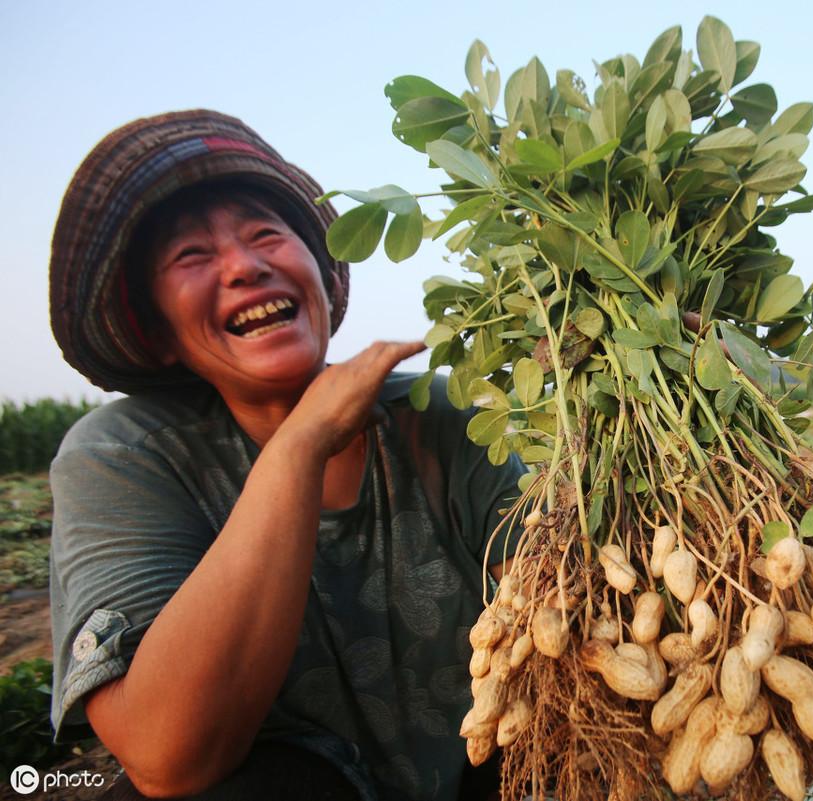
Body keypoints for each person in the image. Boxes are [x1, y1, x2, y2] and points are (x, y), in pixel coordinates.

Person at [47, 110, 525, 801]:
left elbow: (563, 605)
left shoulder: (440, 414)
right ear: (157, 334)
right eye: (192, 255)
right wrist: (301, 443)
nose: (244, 265)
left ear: (323, 278)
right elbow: (166, 756)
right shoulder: (124, 454)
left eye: (265, 232)